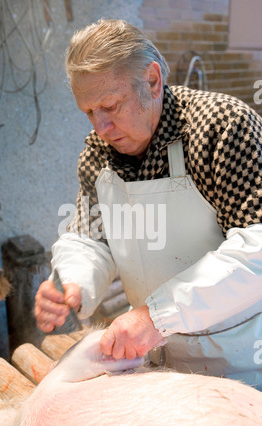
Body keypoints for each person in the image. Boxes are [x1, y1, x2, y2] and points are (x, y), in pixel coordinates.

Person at [35, 19, 262, 388]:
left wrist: (156, 316)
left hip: (239, 362)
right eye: (89, 112)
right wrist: (74, 284)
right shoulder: (98, 155)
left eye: (111, 105)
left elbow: (257, 249)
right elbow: (92, 238)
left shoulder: (222, 128)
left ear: (152, 81)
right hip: (150, 360)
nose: (101, 127)